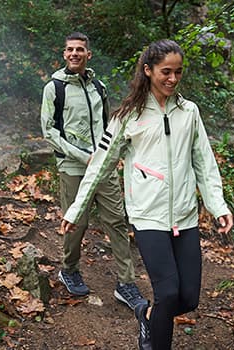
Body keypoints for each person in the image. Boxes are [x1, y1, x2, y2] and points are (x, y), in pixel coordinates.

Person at [60, 39, 234, 350]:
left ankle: (147, 314)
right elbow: (100, 165)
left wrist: (217, 204)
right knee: (168, 293)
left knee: (188, 298)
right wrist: (76, 209)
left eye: (178, 73)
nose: (172, 79)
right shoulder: (128, 116)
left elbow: (204, 162)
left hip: (185, 216)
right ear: (148, 70)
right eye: (165, 72)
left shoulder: (189, 111)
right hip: (148, 215)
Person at [40, 32, 147, 312]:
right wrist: (83, 156)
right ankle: (70, 268)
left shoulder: (98, 87)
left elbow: (109, 127)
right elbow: (49, 131)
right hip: (73, 167)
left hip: (104, 168)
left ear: (89, 55)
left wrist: (110, 156)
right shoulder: (55, 88)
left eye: (79, 50)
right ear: (64, 54)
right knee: (77, 222)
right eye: (69, 49)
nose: (74, 53)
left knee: (117, 222)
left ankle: (126, 283)